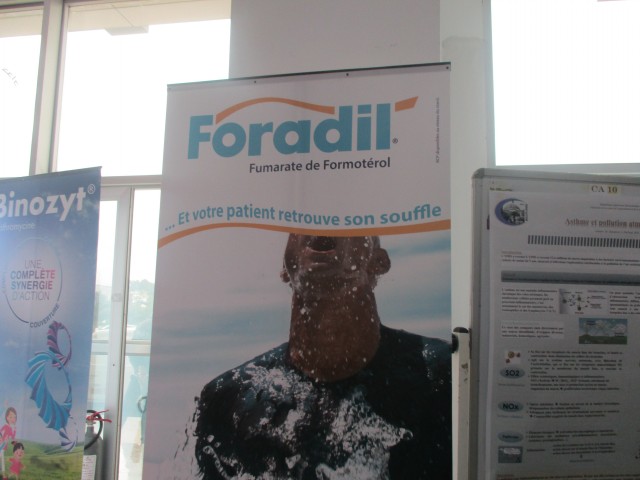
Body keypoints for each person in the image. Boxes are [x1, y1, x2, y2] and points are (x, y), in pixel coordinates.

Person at [195, 235, 451, 479]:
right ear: (284, 268)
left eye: (347, 218)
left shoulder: (446, 375)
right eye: (305, 217)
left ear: (378, 262)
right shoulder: (227, 398)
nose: (325, 224)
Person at [0, 408, 17, 479]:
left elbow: (12, 437)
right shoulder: (5, 426)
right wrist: (1, 439)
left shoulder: (11, 428)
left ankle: (3, 474)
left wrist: (15, 429)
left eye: (14, 417)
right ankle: (4, 475)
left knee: (2, 458)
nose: (13, 419)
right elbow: (0, 432)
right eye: (10, 417)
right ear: (7, 417)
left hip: (4, 445)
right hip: (1, 444)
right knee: (2, 459)